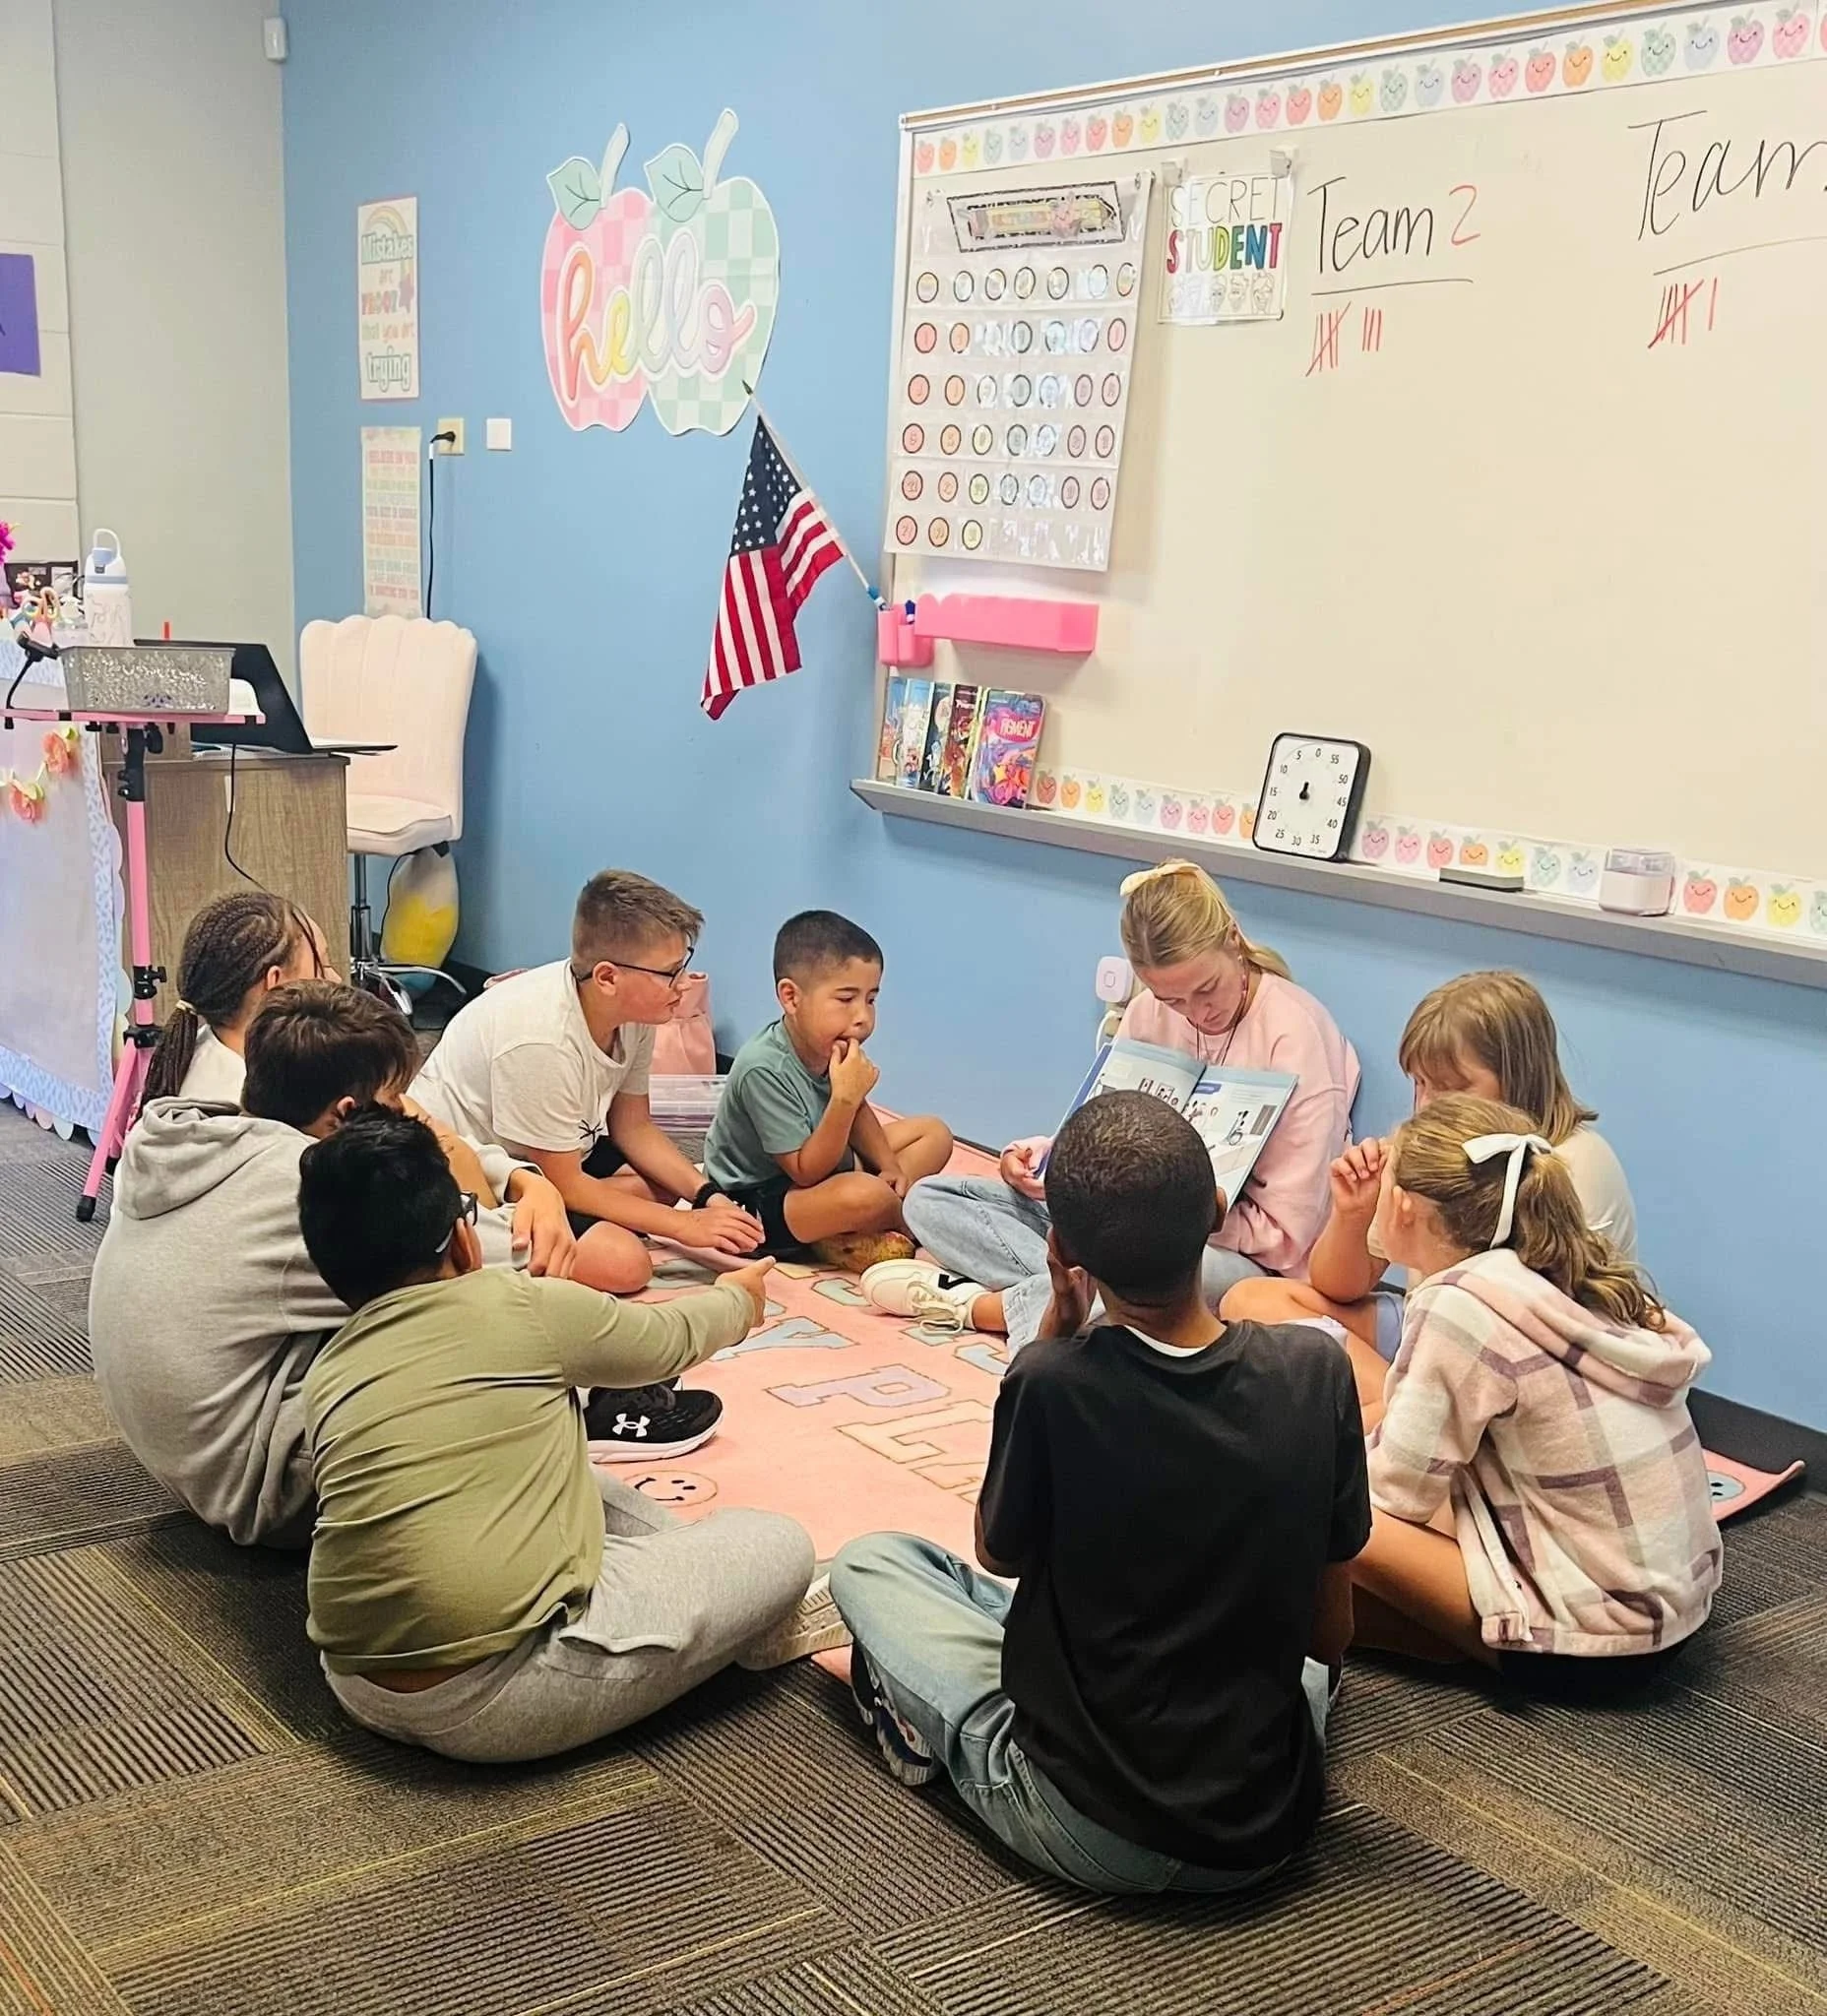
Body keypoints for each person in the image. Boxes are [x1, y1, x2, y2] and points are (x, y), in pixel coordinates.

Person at [832, 1092, 1368, 1894]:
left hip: (1095, 1826)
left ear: (1061, 1250)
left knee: (873, 1564)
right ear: (1216, 1210)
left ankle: (940, 1737)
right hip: (1271, 1816)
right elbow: (1329, 1638)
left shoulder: (1051, 1382)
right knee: (1275, 1655)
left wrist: (1051, 1331)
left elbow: (998, 1552)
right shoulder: (1317, 1369)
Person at [294, 1107, 825, 1760]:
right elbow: (668, 1340)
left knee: (578, 1476)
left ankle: (694, 1584)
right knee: (779, 1543)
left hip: (355, 1681)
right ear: (463, 1239)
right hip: (500, 1690)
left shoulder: (330, 1365)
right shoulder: (518, 1303)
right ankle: (722, 1616)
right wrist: (739, 1298)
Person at [89, 982, 581, 1547]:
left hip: (193, 1454)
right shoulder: (313, 1185)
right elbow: (511, 1254)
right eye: (398, 1103)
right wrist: (531, 1192)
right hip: (260, 1487)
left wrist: (523, 1178)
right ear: (347, 1114)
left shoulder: (196, 1137)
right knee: (478, 1311)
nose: (410, 1116)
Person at [869, 860, 1358, 1346]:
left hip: (1231, 1256)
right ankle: (1073, 1298)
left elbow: (1287, 1239)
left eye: (1206, 989)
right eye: (1172, 1000)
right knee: (930, 1200)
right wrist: (1046, 1159)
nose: (1195, 1013)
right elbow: (1108, 1131)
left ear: (1233, 939)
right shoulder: (1146, 1012)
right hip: (1121, 1223)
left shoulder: (1295, 1035)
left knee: (1155, 1285)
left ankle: (985, 1307)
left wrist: (1171, 1222)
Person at [1349, 1094, 1720, 1694]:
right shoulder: (1547, 1272)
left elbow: (1396, 1494)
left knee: (1312, 1501)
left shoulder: (1460, 1303)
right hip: (1668, 1612)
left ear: (1404, 1205)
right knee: (1338, 1505)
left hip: (1595, 1642)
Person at [1225, 971, 1637, 1404]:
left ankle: (1397, 1415)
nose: (1426, 1105)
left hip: (1525, 1356)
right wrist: (1354, 1213)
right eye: (1420, 1084)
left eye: (1451, 1088)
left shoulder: (1569, 1164)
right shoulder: (1426, 1149)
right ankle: (1400, 1411)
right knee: (1249, 1301)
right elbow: (1338, 1287)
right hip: (1430, 1327)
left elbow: (1518, 1332)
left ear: (1518, 1077)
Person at [410, 870, 766, 1295]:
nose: (684, 984)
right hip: (469, 1172)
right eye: (670, 973)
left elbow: (634, 1126)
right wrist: (685, 1226)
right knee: (626, 1264)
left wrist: (707, 1196)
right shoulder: (541, 1039)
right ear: (608, 977)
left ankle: (591, 1217)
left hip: (551, 1152)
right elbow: (564, 1183)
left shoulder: (635, 1013)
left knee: (665, 1187)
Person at [702, 911, 954, 1272]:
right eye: (846, 999)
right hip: (762, 1196)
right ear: (791, 997)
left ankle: (852, 1226)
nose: (862, 1016)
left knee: (933, 1133)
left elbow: (857, 1112)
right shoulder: (764, 1068)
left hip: (826, 1165)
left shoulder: (831, 1044)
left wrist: (889, 1166)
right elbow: (806, 1172)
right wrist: (845, 1099)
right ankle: (895, 1221)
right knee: (865, 1195)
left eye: (871, 999)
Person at [142, 892, 340, 1105]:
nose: (336, 979)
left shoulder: (197, 1056)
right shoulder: (245, 1109)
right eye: (323, 965)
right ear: (275, 983)